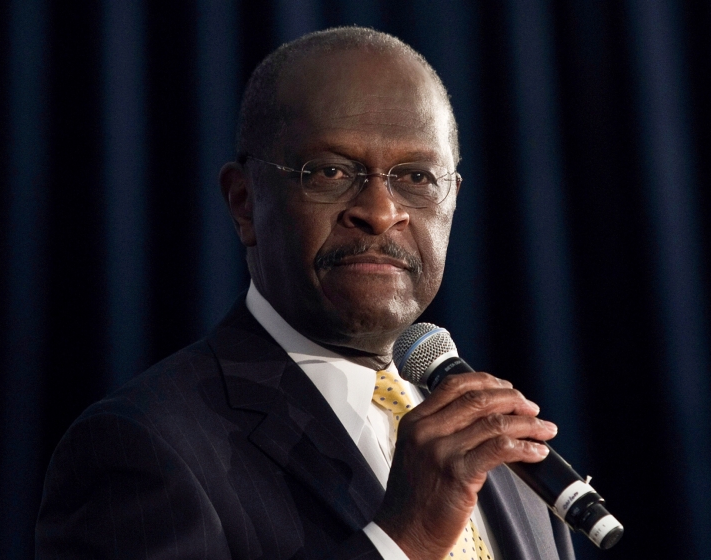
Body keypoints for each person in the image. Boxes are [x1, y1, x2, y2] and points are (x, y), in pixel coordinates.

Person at [36, 27, 575, 560]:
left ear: (452, 197)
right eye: (331, 172)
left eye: (416, 176)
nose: (381, 211)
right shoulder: (140, 447)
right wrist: (401, 542)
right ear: (244, 202)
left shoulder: (503, 456)